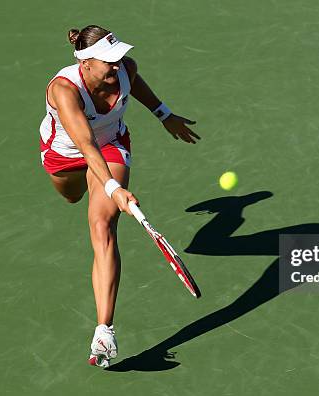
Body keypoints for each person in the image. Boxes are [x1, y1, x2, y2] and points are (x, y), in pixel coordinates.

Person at [38, 25, 200, 368]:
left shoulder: (124, 69)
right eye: (108, 61)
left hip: (111, 146)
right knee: (71, 197)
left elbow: (134, 83)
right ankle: (92, 187)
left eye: (118, 58)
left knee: (102, 224)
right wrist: (115, 189)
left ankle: (104, 329)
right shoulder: (64, 90)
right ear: (85, 64)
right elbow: (84, 144)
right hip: (67, 155)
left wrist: (164, 114)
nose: (116, 66)